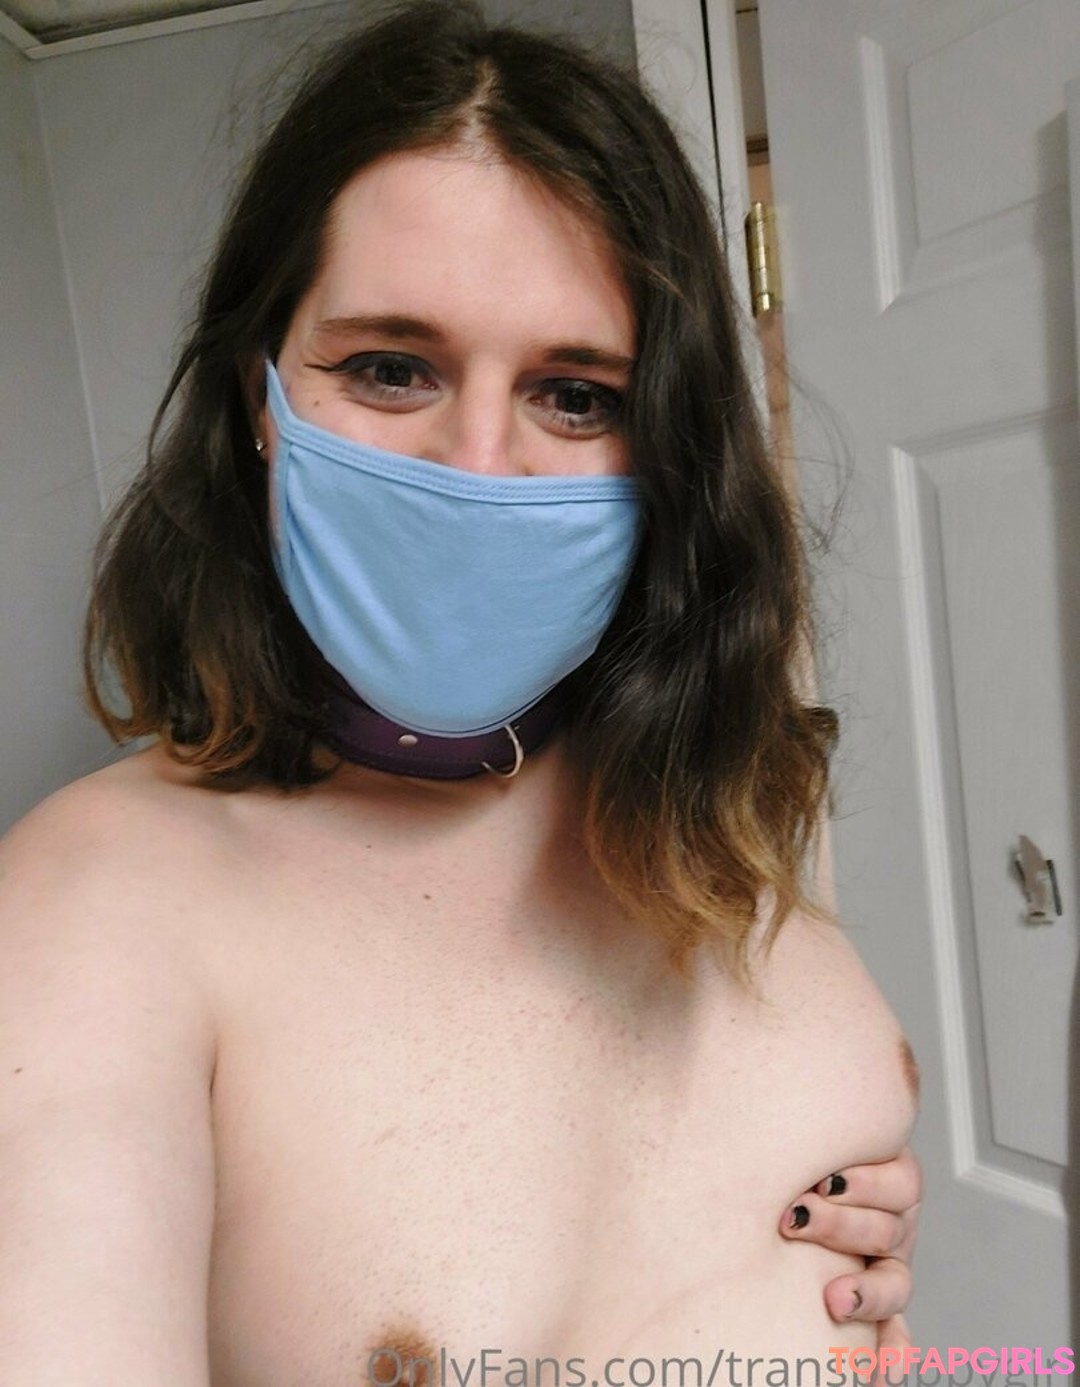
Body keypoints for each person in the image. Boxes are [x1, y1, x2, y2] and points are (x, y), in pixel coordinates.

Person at [0, 3, 922, 1382]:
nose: (479, 466)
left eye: (577, 395)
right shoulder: (96, 904)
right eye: (391, 369)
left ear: (667, 444)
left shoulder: (709, 807)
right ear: (261, 402)